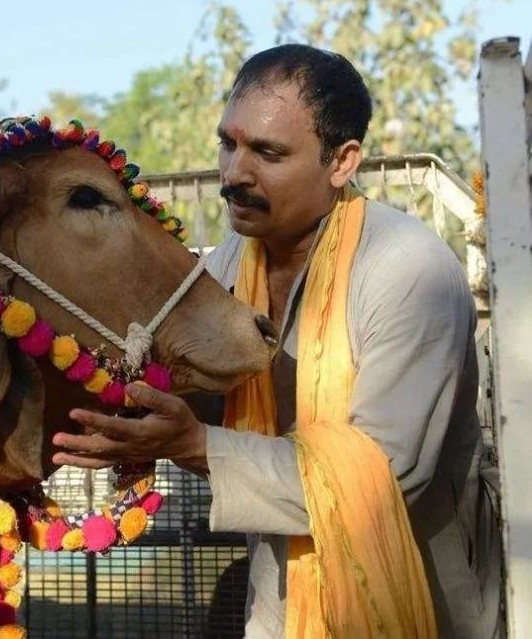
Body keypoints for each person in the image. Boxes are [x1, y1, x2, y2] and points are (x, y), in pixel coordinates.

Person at [53, 44, 502, 638]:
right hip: (280, 602)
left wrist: (196, 445)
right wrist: (139, 411)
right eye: (229, 144)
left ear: (341, 163)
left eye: (268, 153)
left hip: (417, 595)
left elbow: (387, 478)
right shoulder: (233, 262)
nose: (235, 174)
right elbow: (216, 393)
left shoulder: (408, 268)